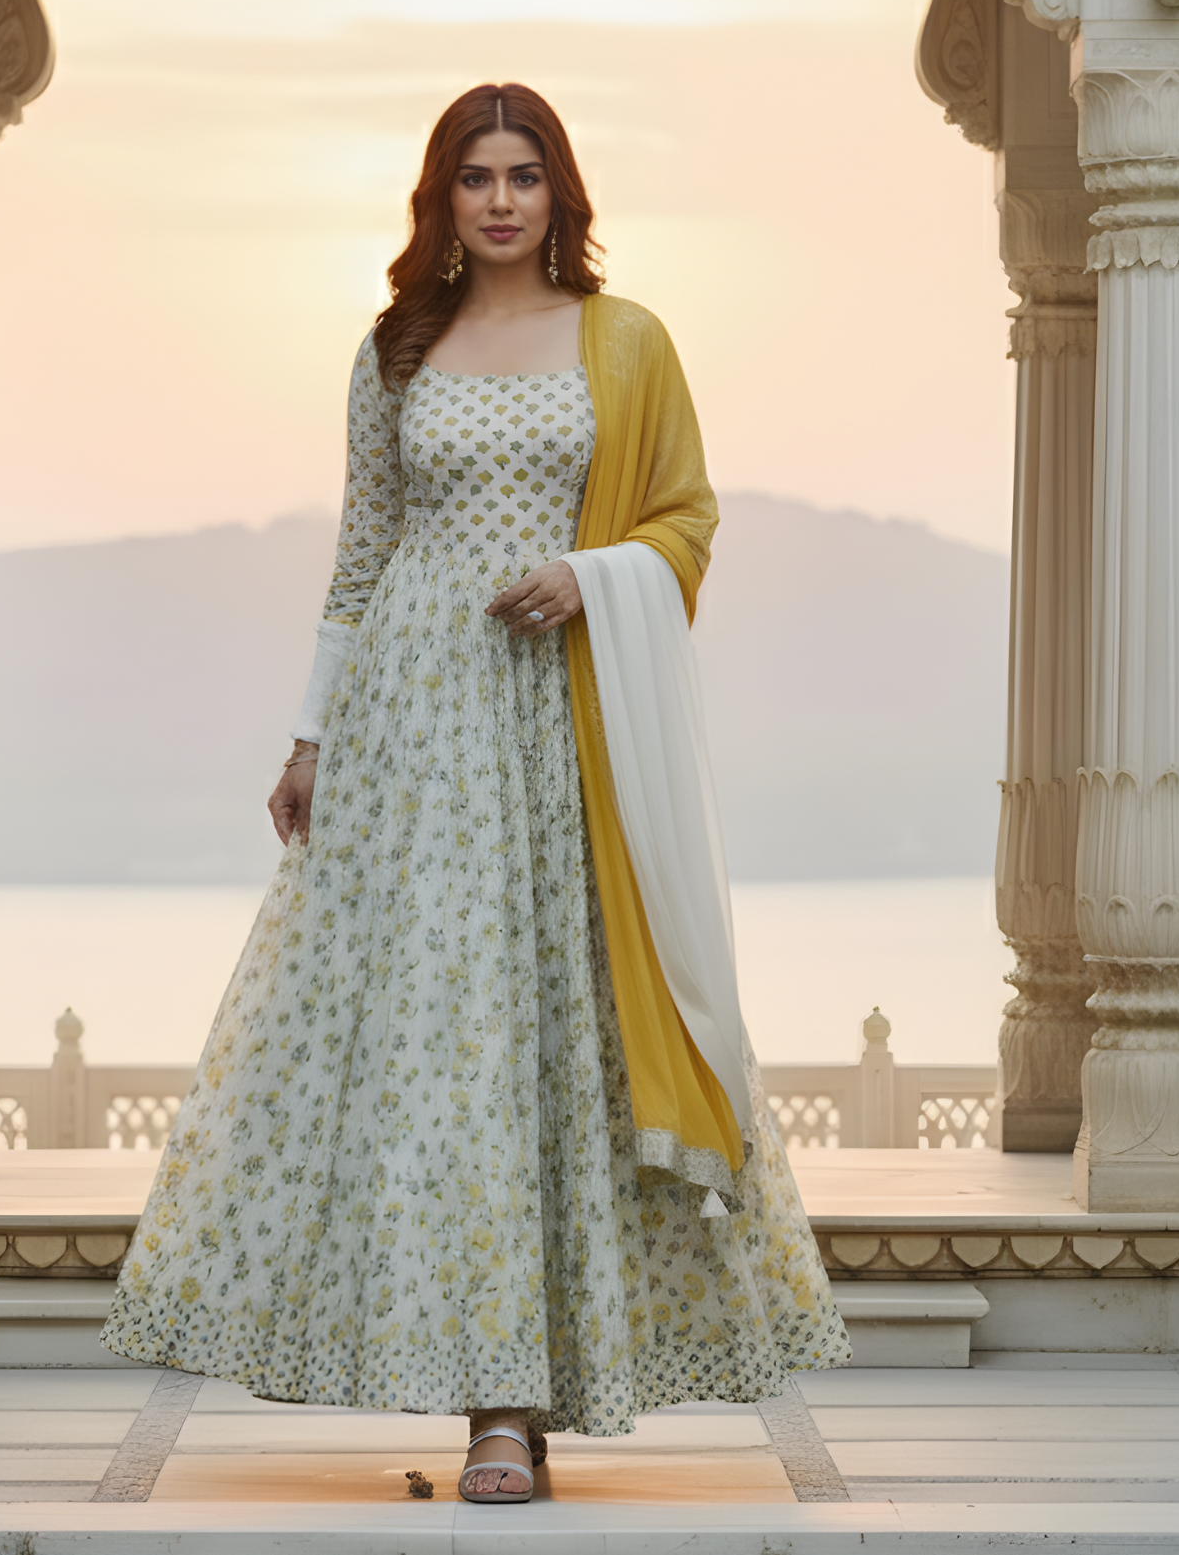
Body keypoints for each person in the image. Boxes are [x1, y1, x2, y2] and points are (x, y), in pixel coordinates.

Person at [100, 82, 848, 1503]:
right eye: (473, 178)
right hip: (416, 734)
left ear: (561, 193)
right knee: (445, 1059)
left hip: (567, 733)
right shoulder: (397, 350)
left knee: (555, 1044)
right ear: (437, 199)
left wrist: (591, 576)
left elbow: (683, 518)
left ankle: (531, 1403)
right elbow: (360, 552)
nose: (500, 200)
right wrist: (312, 739)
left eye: (523, 175)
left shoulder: (627, 344)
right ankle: (484, 1404)